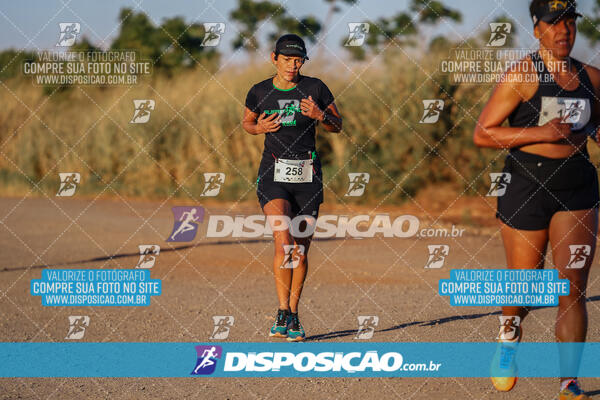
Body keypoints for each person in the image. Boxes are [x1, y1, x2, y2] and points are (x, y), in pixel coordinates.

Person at [474, 1, 600, 398]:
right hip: (526, 186)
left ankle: (569, 382)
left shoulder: (592, 78)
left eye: (569, 23)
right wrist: (542, 134)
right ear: (536, 28)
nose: (563, 31)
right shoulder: (522, 75)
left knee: (572, 287)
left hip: (577, 187)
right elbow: (484, 133)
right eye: (553, 23)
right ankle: (509, 335)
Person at [242, 34, 342, 341]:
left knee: (300, 248)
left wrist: (320, 114)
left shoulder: (315, 88)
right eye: (287, 60)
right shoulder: (259, 91)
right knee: (283, 239)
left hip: (307, 177)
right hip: (273, 174)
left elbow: (337, 125)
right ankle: (281, 309)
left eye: (298, 60)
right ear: (274, 58)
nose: (292, 66)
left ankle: (294, 315)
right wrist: (259, 128)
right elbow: (247, 122)